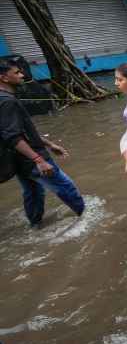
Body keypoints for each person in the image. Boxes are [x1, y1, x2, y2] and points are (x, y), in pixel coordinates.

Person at [1, 59, 85, 227]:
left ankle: (35, 225)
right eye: (16, 72)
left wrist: (49, 144)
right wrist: (39, 160)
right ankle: (86, 218)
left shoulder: (5, 99)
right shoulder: (7, 101)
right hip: (30, 158)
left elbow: (20, 130)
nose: (22, 75)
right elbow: (13, 136)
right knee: (65, 186)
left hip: (18, 159)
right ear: (4, 77)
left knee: (32, 191)